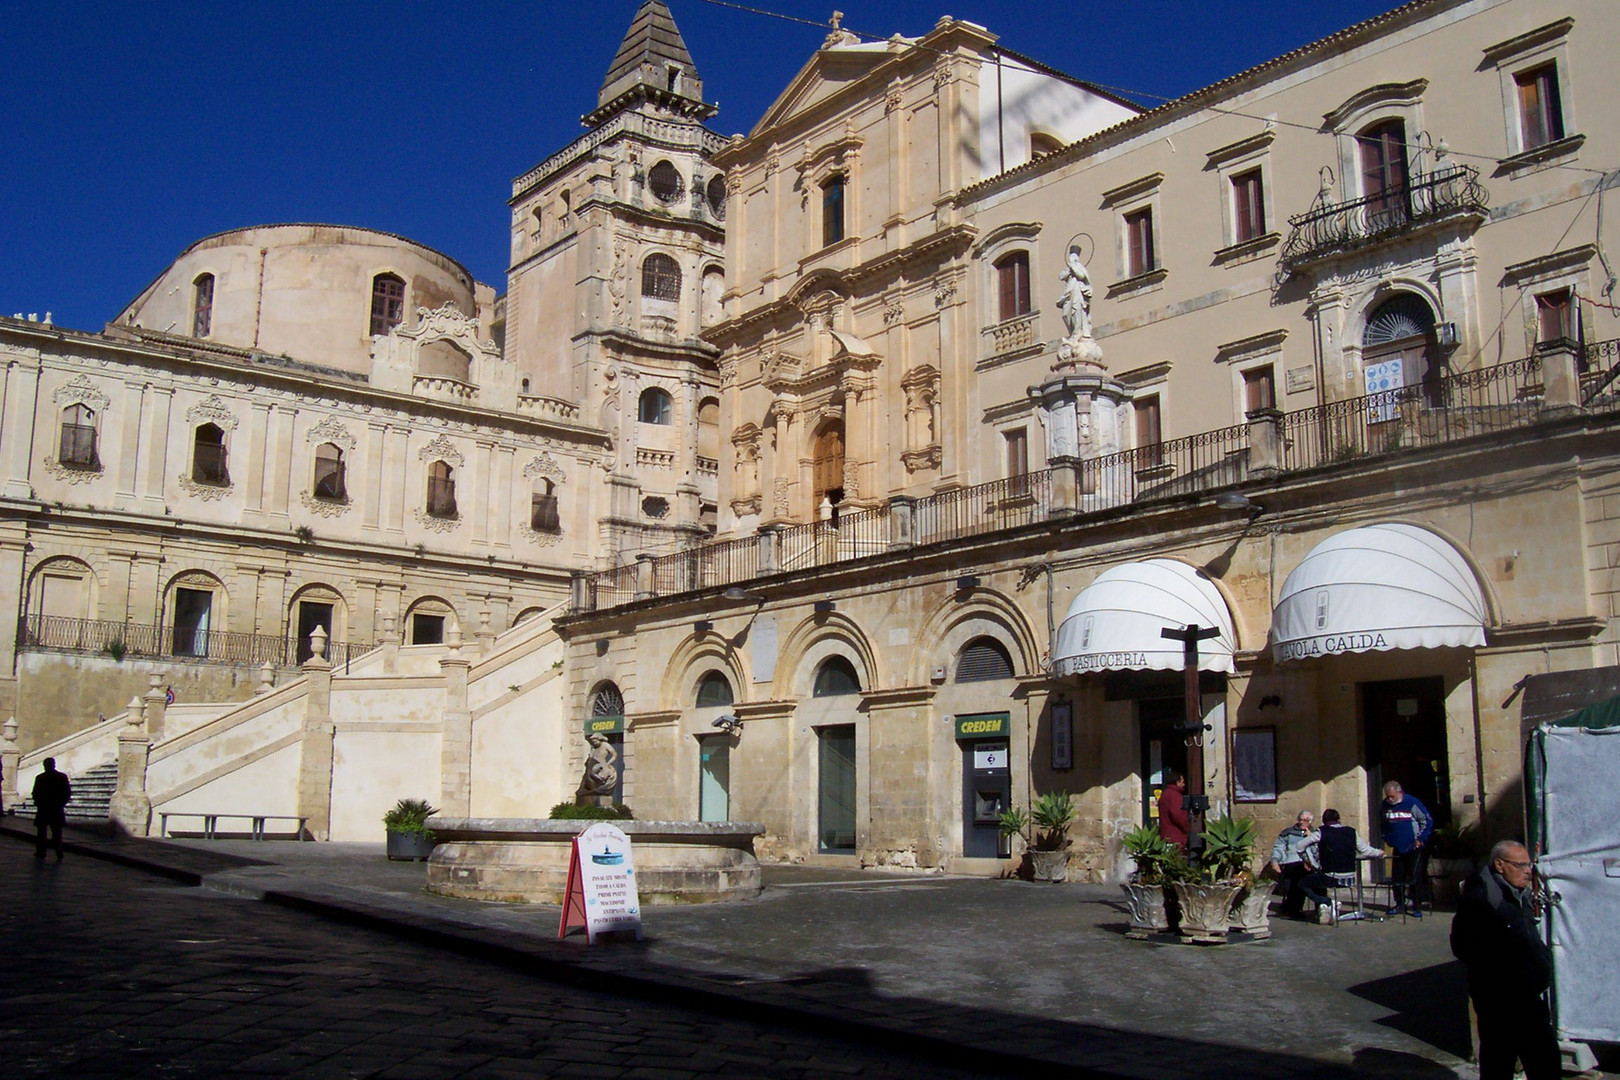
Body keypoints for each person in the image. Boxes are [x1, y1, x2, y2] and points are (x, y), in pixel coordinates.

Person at [1450, 840, 1559, 1080]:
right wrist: (1501, 972)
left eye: (1528, 865)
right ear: (1500, 865)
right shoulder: (1481, 899)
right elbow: (1462, 945)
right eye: (1520, 865)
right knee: (1503, 1060)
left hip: (1525, 995)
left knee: (1542, 1060)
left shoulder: (1517, 894)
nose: (1528, 871)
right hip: (1500, 997)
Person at [1300, 808, 1383, 923]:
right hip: (1350, 878)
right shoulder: (1351, 832)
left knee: (1303, 883)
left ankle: (1325, 902)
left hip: (1331, 877)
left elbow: (1300, 845)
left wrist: (1307, 860)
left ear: (1324, 821)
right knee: (1317, 879)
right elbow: (1365, 850)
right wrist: (1379, 853)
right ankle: (1326, 906)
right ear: (1339, 820)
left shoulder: (1321, 832)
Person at [1380, 779, 1433, 917]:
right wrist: (1386, 837)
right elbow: (1383, 823)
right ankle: (1400, 904)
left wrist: (1420, 839)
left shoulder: (1411, 803)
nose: (1390, 799)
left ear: (1399, 792)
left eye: (1392, 796)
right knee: (1397, 878)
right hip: (1398, 846)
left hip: (1413, 846)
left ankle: (1417, 905)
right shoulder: (1385, 805)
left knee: (1415, 877)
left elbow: (1426, 821)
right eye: (1388, 796)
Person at [1267, 809, 1318, 917]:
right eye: (1300, 820)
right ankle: (1295, 908)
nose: (1302, 822)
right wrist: (1275, 861)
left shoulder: (1316, 834)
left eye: (1306, 820)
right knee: (1300, 873)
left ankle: (1318, 906)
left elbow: (1317, 852)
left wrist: (1311, 839)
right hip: (1292, 862)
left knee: (1312, 876)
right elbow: (1279, 848)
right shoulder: (1288, 833)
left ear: (1311, 822)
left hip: (1310, 864)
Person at [31, 757, 71, 861]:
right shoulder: (61, 777)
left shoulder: (41, 778)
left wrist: (38, 802)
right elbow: (66, 792)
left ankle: (42, 851)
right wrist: (61, 803)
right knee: (55, 831)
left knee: (43, 832)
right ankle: (57, 850)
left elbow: (35, 792)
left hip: (45, 808)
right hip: (55, 808)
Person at [1156, 771, 1189, 850]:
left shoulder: (1165, 794)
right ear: (1177, 782)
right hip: (1175, 837)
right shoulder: (1175, 795)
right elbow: (1178, 816)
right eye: (1182, 782)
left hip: (1166, 835)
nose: (1184, 785)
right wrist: (1188, 828)